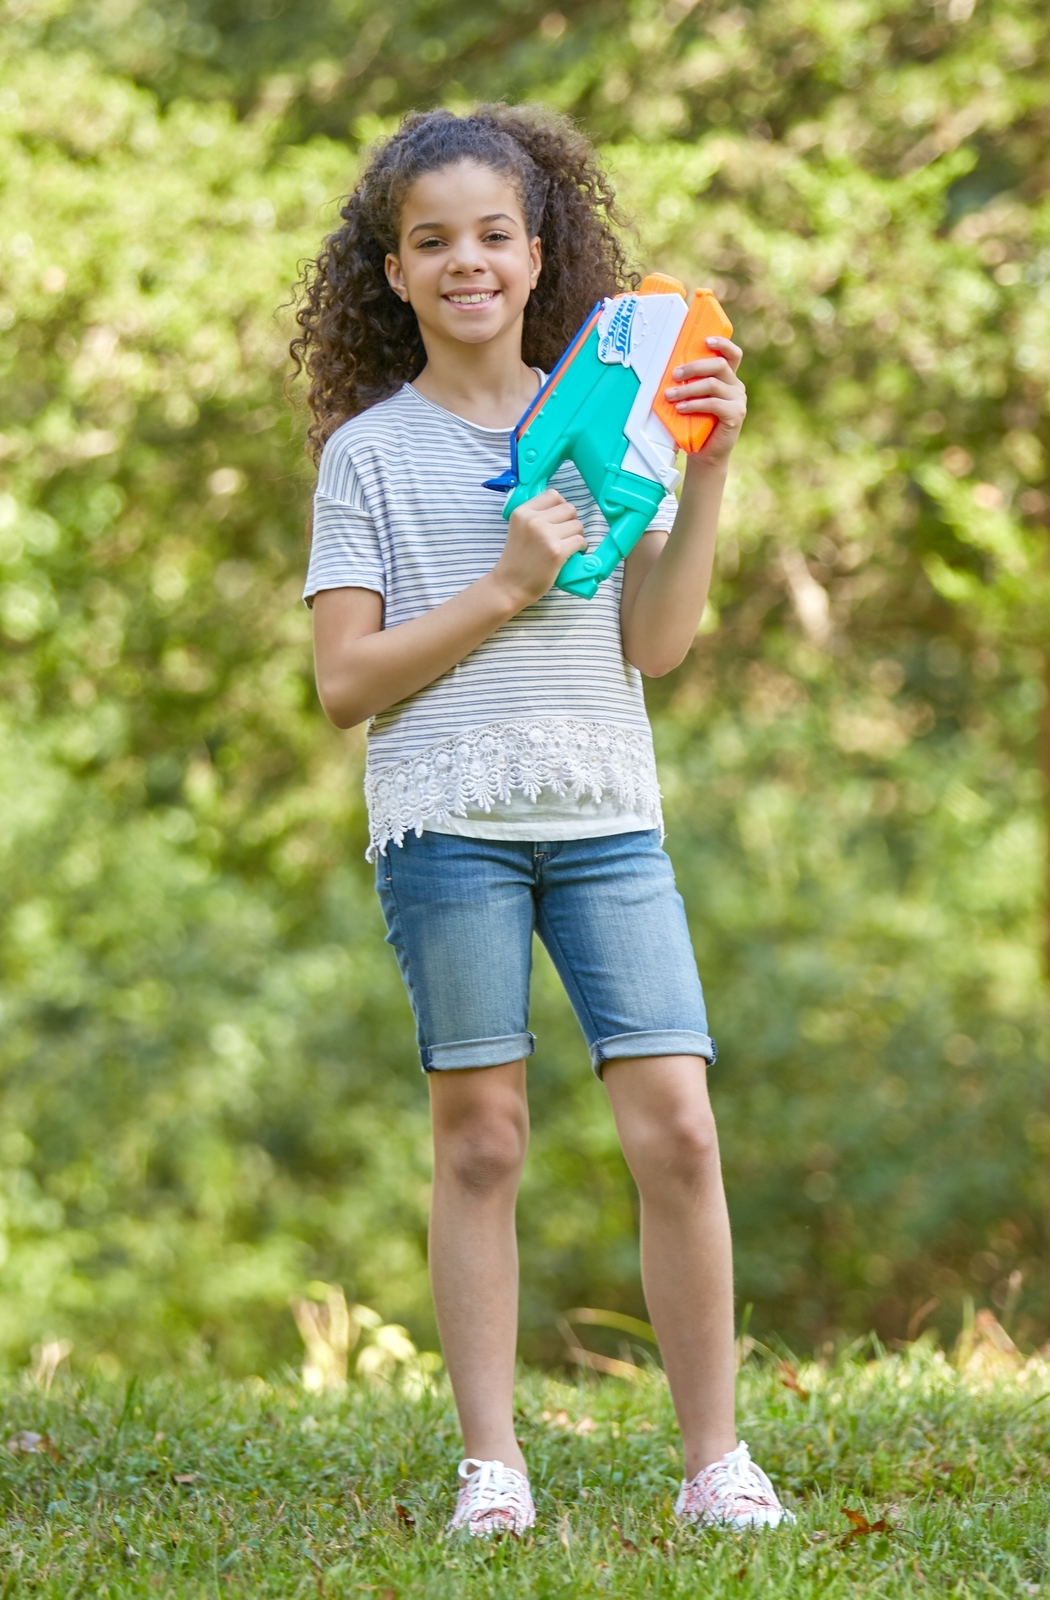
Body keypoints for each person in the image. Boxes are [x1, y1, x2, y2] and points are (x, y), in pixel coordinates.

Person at [289, 104, 790, 1537]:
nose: (468, 263)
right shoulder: (367, 458)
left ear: (539, 250)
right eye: (431, 241)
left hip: (605, 816)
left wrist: (709, 473)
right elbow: (344, 683)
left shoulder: (607, 413)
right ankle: (493, 1467)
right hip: (447, 824)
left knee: (680, 1129)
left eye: (494, 235)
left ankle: (716, 1467)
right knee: (485, 1140)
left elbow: (659, 644)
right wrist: (503, 586)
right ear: (389, 274)